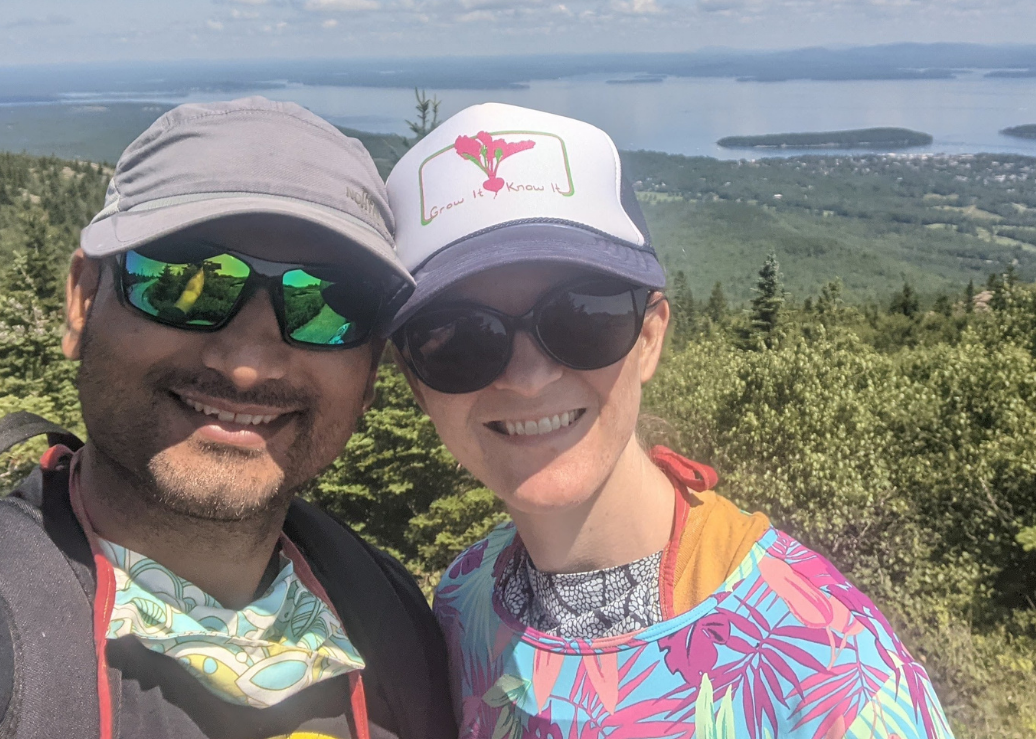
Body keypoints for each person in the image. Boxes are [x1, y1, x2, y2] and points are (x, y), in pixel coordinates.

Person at [0, 98, 457, 739]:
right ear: (82, 302)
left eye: (330, 306)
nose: (248, 364)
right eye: (183, 282)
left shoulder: (390, 610)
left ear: (371, 371)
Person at [384, 102, 953, 739]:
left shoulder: (832, 676)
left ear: (649, 338)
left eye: (582, 317)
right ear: (415, 381)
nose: (529, 377)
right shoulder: (463, 602)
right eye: (459, 338)